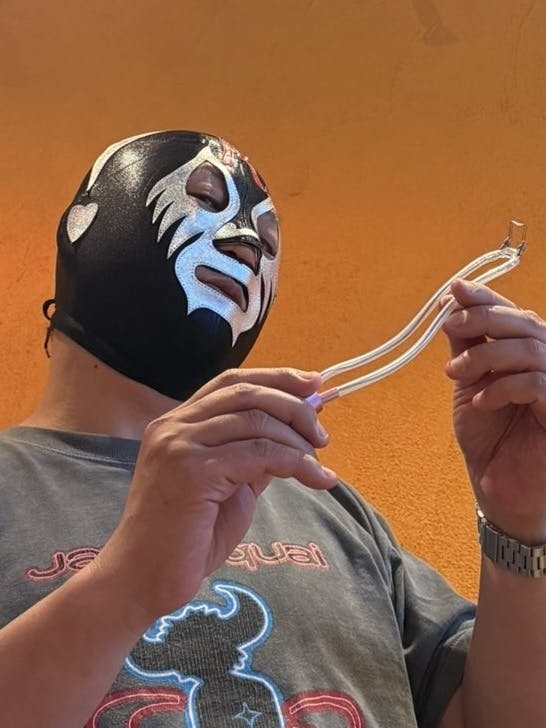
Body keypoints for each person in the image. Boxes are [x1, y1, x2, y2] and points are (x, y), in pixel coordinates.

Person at [0, 130, 544, 728]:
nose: (247, 245)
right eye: (206, 198)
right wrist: (125, 588)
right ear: (82, 224)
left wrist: (522, 522)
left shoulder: (330, 506)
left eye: (267, 239)